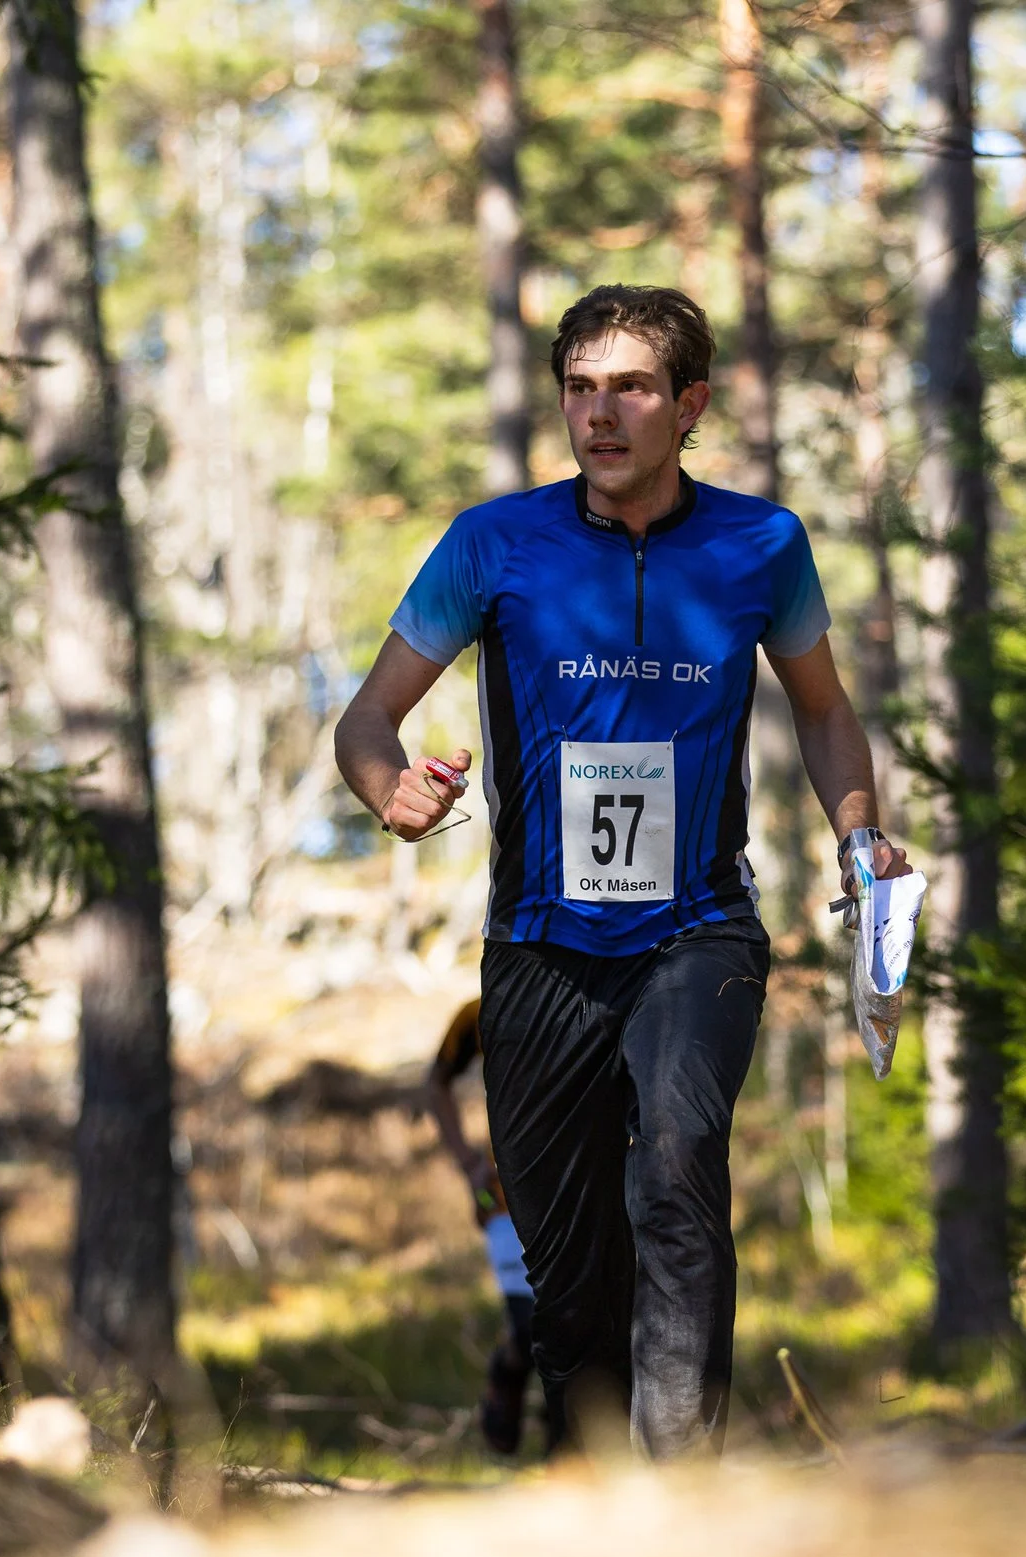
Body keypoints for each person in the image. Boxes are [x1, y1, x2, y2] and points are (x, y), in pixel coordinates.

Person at [334, 284, 907, 1460]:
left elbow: (824, 712)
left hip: (698, 929)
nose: (600, 413)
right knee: (568, 1265)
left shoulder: (761, 543)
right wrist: (387, 788)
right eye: (580, 388)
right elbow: (366, 718)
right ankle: (598, 1483)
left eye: (631, 388)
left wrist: (860, 831)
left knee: (681, 1169)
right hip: (540, 947)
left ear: (687, 405)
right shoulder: (493, 543)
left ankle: (677, 1481)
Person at [423, 997, 537, 1455]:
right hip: (502, 1193)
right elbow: (436, 1085)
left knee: (580, 1324)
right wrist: (469, 1164)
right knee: (531, 1329)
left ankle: (570, 1449)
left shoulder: (598, 982)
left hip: (581, 1186)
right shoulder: (479, 1010)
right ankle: (505, 1378)